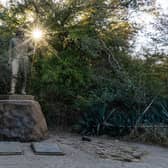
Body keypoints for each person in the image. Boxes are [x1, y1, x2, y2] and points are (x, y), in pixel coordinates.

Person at [8, 29, 34, 95]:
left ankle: (23, 90)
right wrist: (9, 59)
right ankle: (12, 90)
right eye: (20, 32)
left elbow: (33, 50)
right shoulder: (13, 40)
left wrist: (27, 54)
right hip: (15, 59)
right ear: (17, 33)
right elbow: (10, 50)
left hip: (24, 59)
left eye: (22, 33)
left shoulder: (27, 41)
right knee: (14, 74)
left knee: (24, 75)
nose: (21, 34)